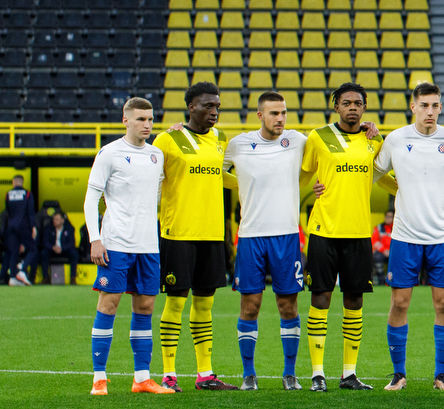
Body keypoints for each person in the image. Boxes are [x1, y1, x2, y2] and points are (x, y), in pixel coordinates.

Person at [373, 83, 444, 392]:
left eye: (435, 105)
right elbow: (374, 174)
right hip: (404, 236)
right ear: (413, 107)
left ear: (441, 108)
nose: (430, 111)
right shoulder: (396, 139)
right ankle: (398, 374)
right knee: (399, 302)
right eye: (424, 105)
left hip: (443, 237)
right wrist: (399, 189)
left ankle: (441, 375)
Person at [84, 98, 172, 395]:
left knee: (145, 306)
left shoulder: (157, 155)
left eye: (150, 119)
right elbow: (91, 197)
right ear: (126, 120)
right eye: (140, 119)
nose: (147, 124)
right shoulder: (109, 153)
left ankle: (142, 378)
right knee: (109, 304)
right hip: (116, 243)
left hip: (148, 245)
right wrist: (95, 238)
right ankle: (99, 377)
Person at [302, 82, 385, 391]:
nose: (353, 107)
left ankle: (349, 374)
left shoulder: (373, 141)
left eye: (358, 103)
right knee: (320, 297)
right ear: (335, 106)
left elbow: (386, 176)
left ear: (364, 108)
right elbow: (302, 174)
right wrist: (310, 189)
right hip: (324, 230)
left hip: (359, 232)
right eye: (346, 102)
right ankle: (317, 374)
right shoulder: (318, 138)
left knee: (354, 299)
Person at [155, 82, 237, 391]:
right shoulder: (168, 139)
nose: (214, 111)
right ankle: (168, 374)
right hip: (179, 234)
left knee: (205, 305)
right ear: (191, 107)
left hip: (212, 234)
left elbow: (221, 176)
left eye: (217, 106)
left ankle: (205, 375)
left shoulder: (221, 139)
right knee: (176, 303)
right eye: (207, 106)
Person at [224, 92, 308, 392]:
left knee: (288, 305)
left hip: (286, 236)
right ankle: (249, 374)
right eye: (274, 113)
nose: (281, 119)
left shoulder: (298, 141)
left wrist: (368, 129)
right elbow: (213, 168)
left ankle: (289, 373)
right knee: (250, 305)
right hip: (250, 237)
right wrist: (243, 184)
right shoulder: (238, 144)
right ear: (260, 115)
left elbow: (332, 149)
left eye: (284, 112)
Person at [5, 173, 36, 286]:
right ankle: (22, 269)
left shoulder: (8, 194)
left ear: (14, 182)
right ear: (22, 182)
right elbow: (30, 211)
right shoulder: (27, 194)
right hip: (24, 226)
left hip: (12, 226)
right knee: (33, 249)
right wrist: (33, 227)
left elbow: (8, 211)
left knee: (14, 251)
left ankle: (12, 277)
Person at [42, 212, 78, 286]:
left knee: (74, 253)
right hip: (52, 249)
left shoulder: (69, 228)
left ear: (62, 220)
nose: (54, 221)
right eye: (54, 219)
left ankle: (73, 277)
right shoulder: (48, 228)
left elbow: (71, 243)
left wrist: (62, 248)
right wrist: (53, 247)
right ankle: (46, 277)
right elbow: (45, 242)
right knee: (43, 253)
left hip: (64, 249)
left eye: (57, 219)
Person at [371, 209, 394, 286]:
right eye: (387, 216)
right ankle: (381, 281)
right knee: (377, 257)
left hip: (393, 252)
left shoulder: (397, 228)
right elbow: (375, 241)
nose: (388, 218)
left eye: (390, 216)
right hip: (382, 252)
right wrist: (384, 250)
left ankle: (393, 281)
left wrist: (391, 251)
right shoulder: (379, 227)